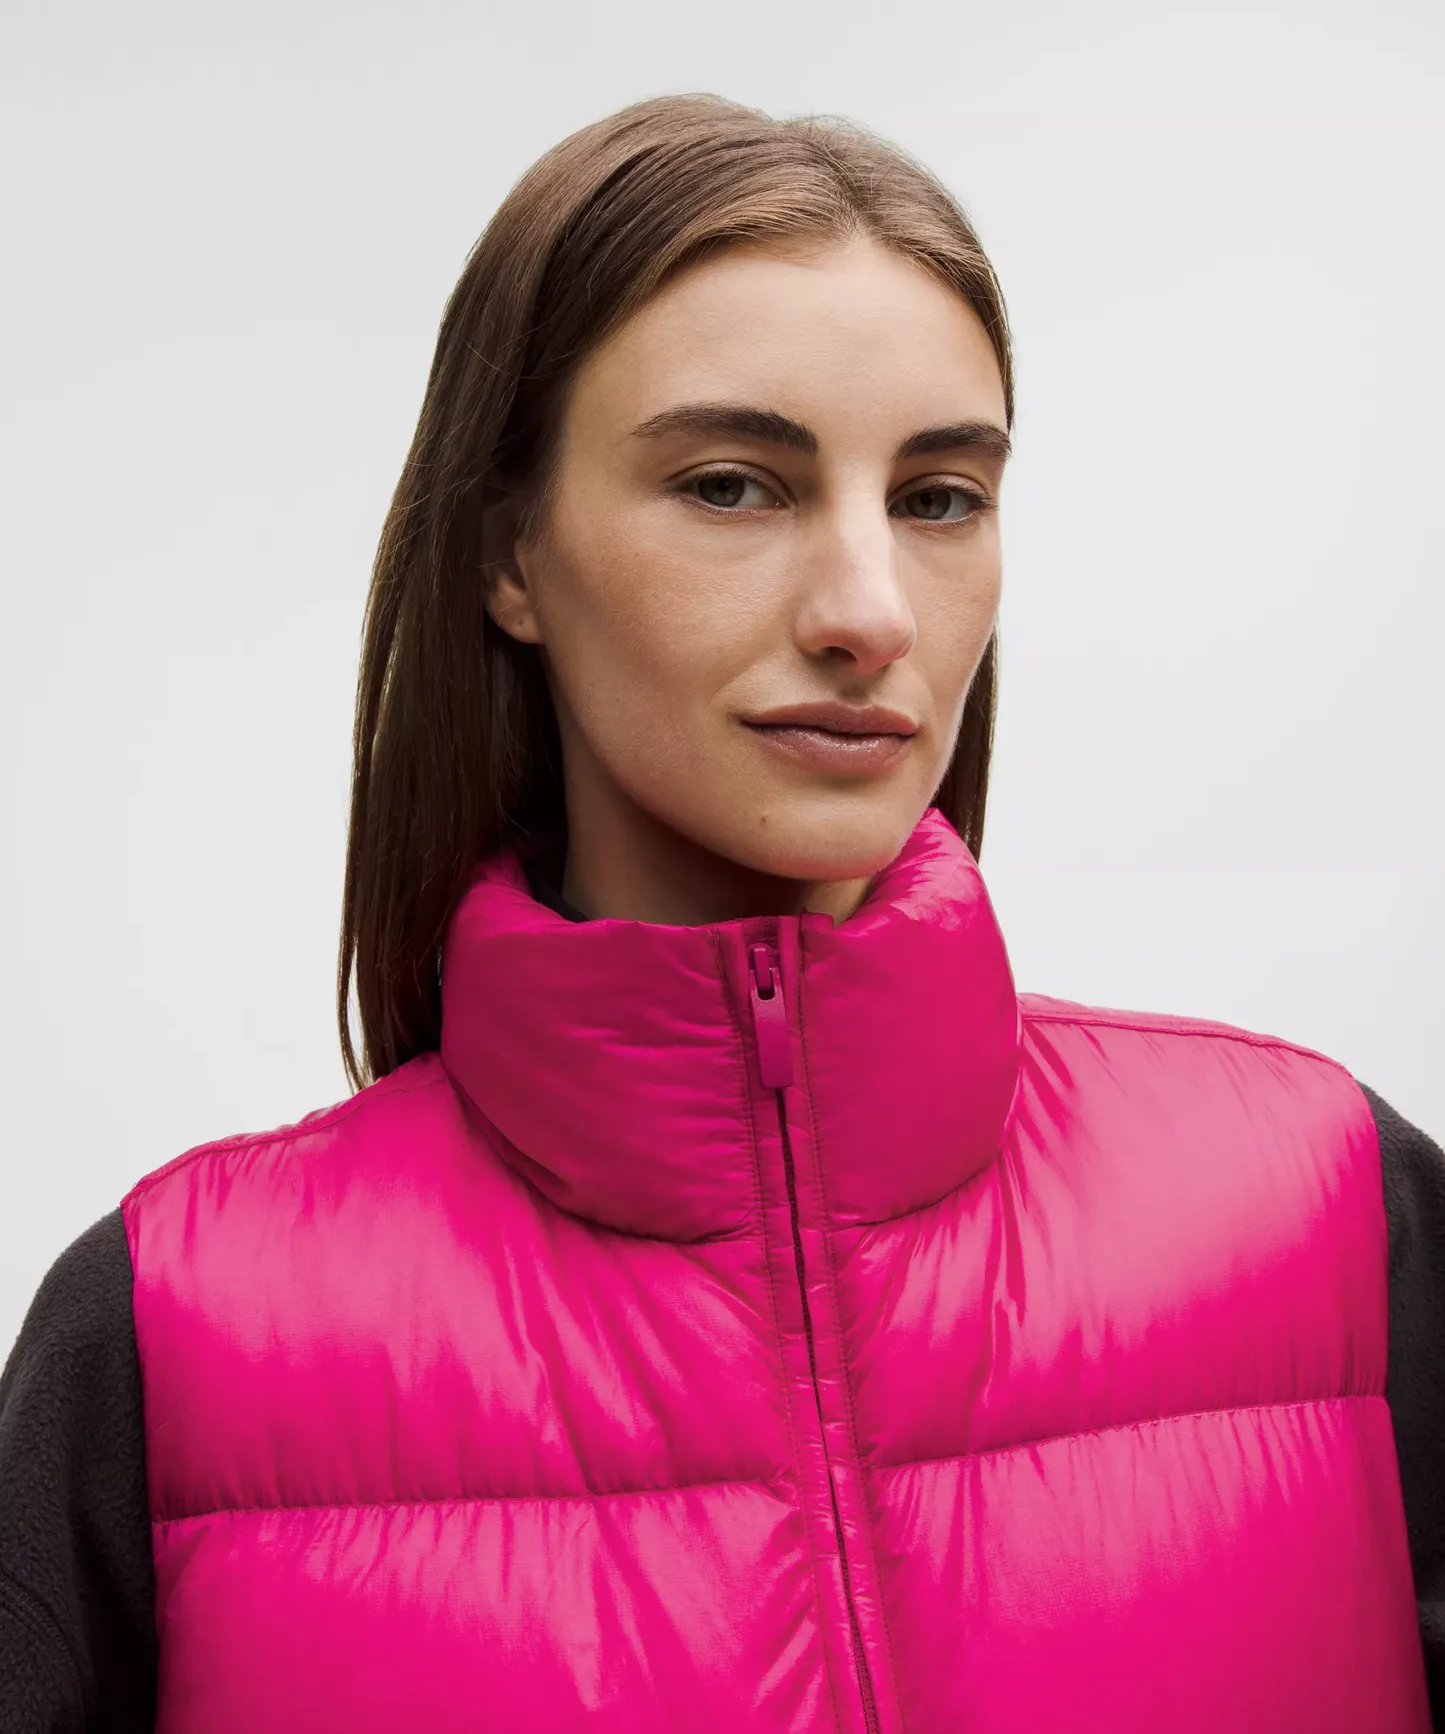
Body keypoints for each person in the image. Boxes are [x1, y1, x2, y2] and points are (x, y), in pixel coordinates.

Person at [0, 90, 1441, 1734]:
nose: (868, 612)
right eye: (735, 485)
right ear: (510, 556)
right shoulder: (171, 1334)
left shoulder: (1340, 1213)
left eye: (938, 496)